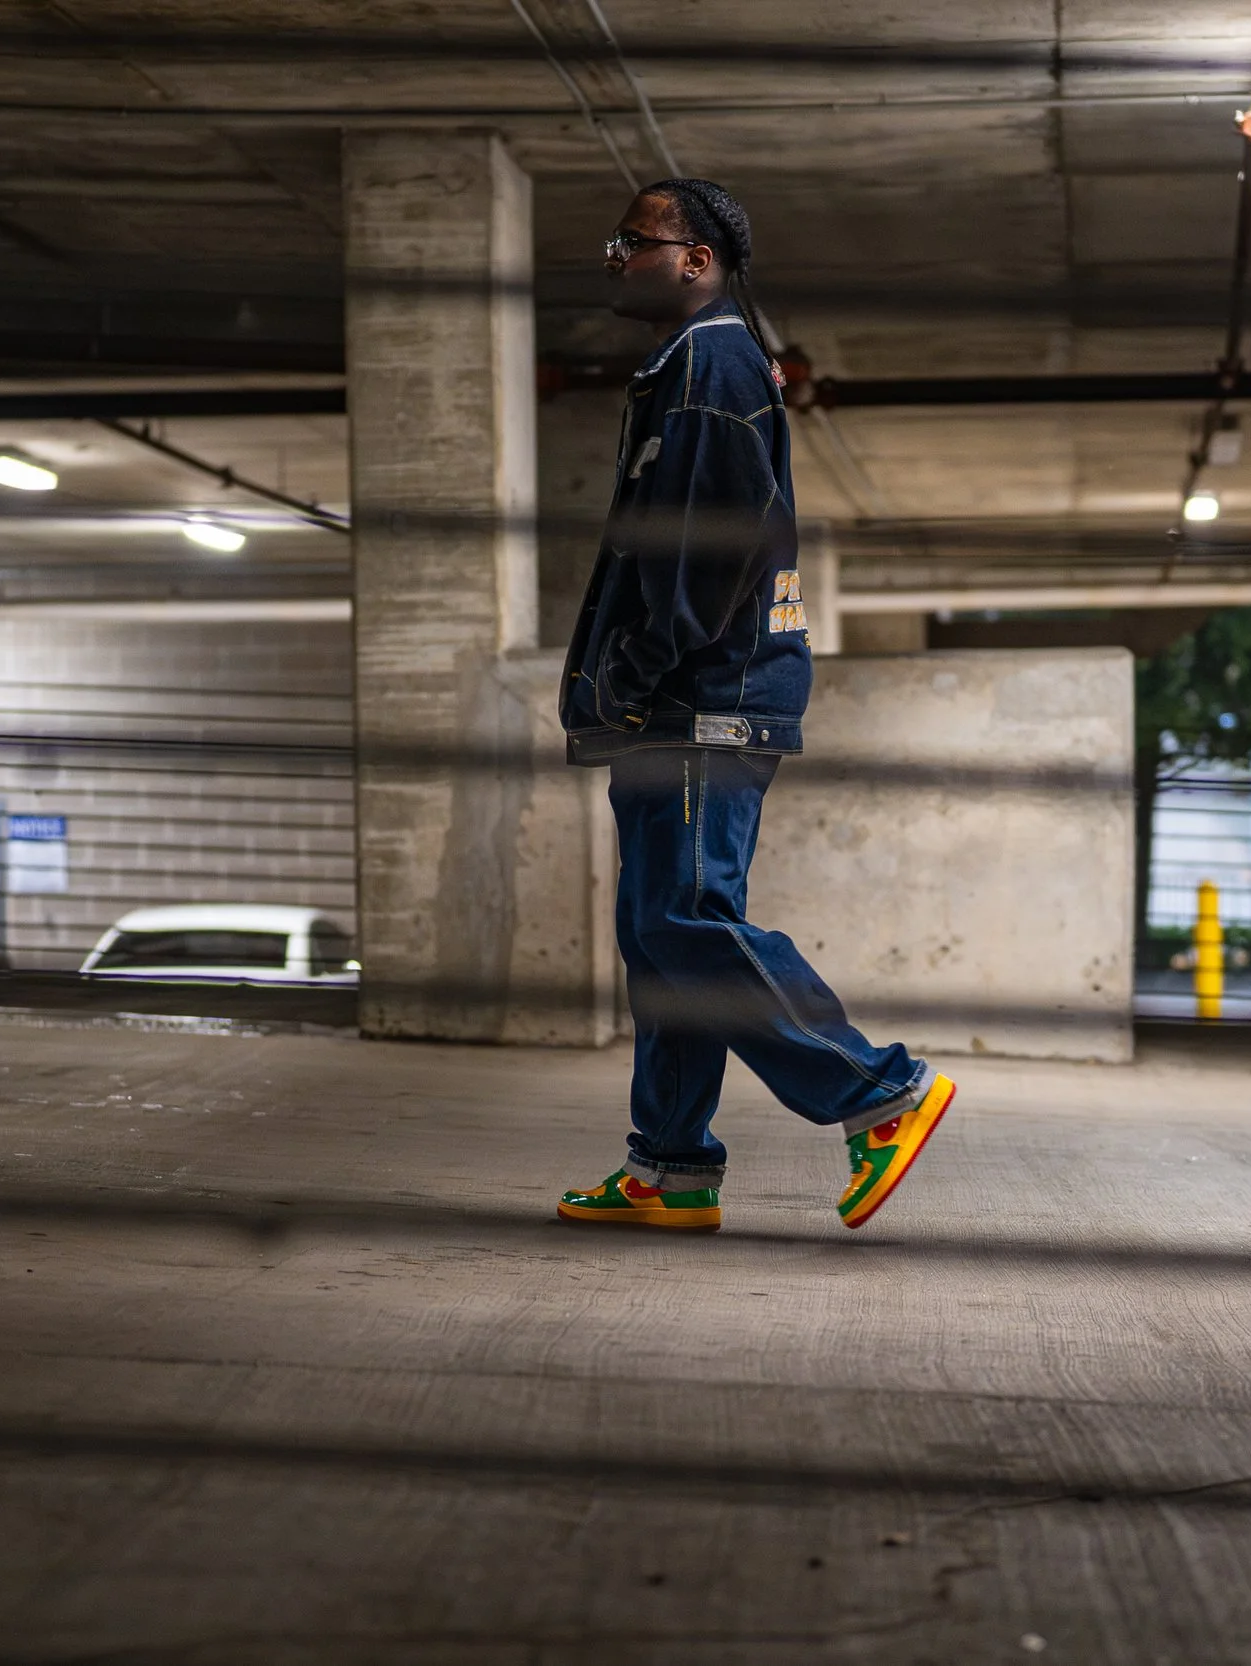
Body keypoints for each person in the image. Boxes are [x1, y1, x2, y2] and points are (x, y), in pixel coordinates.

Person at [552, 178, 955, 1234]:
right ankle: (671, 1166)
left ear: (695, 259)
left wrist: (634, 675)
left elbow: (705, 551)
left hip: (701, 698)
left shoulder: (712, 362)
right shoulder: (682, 366)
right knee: (662, 935)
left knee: (686, 918)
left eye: (633, 240)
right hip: (677, 700)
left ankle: (878, 1093)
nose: (615, 257)